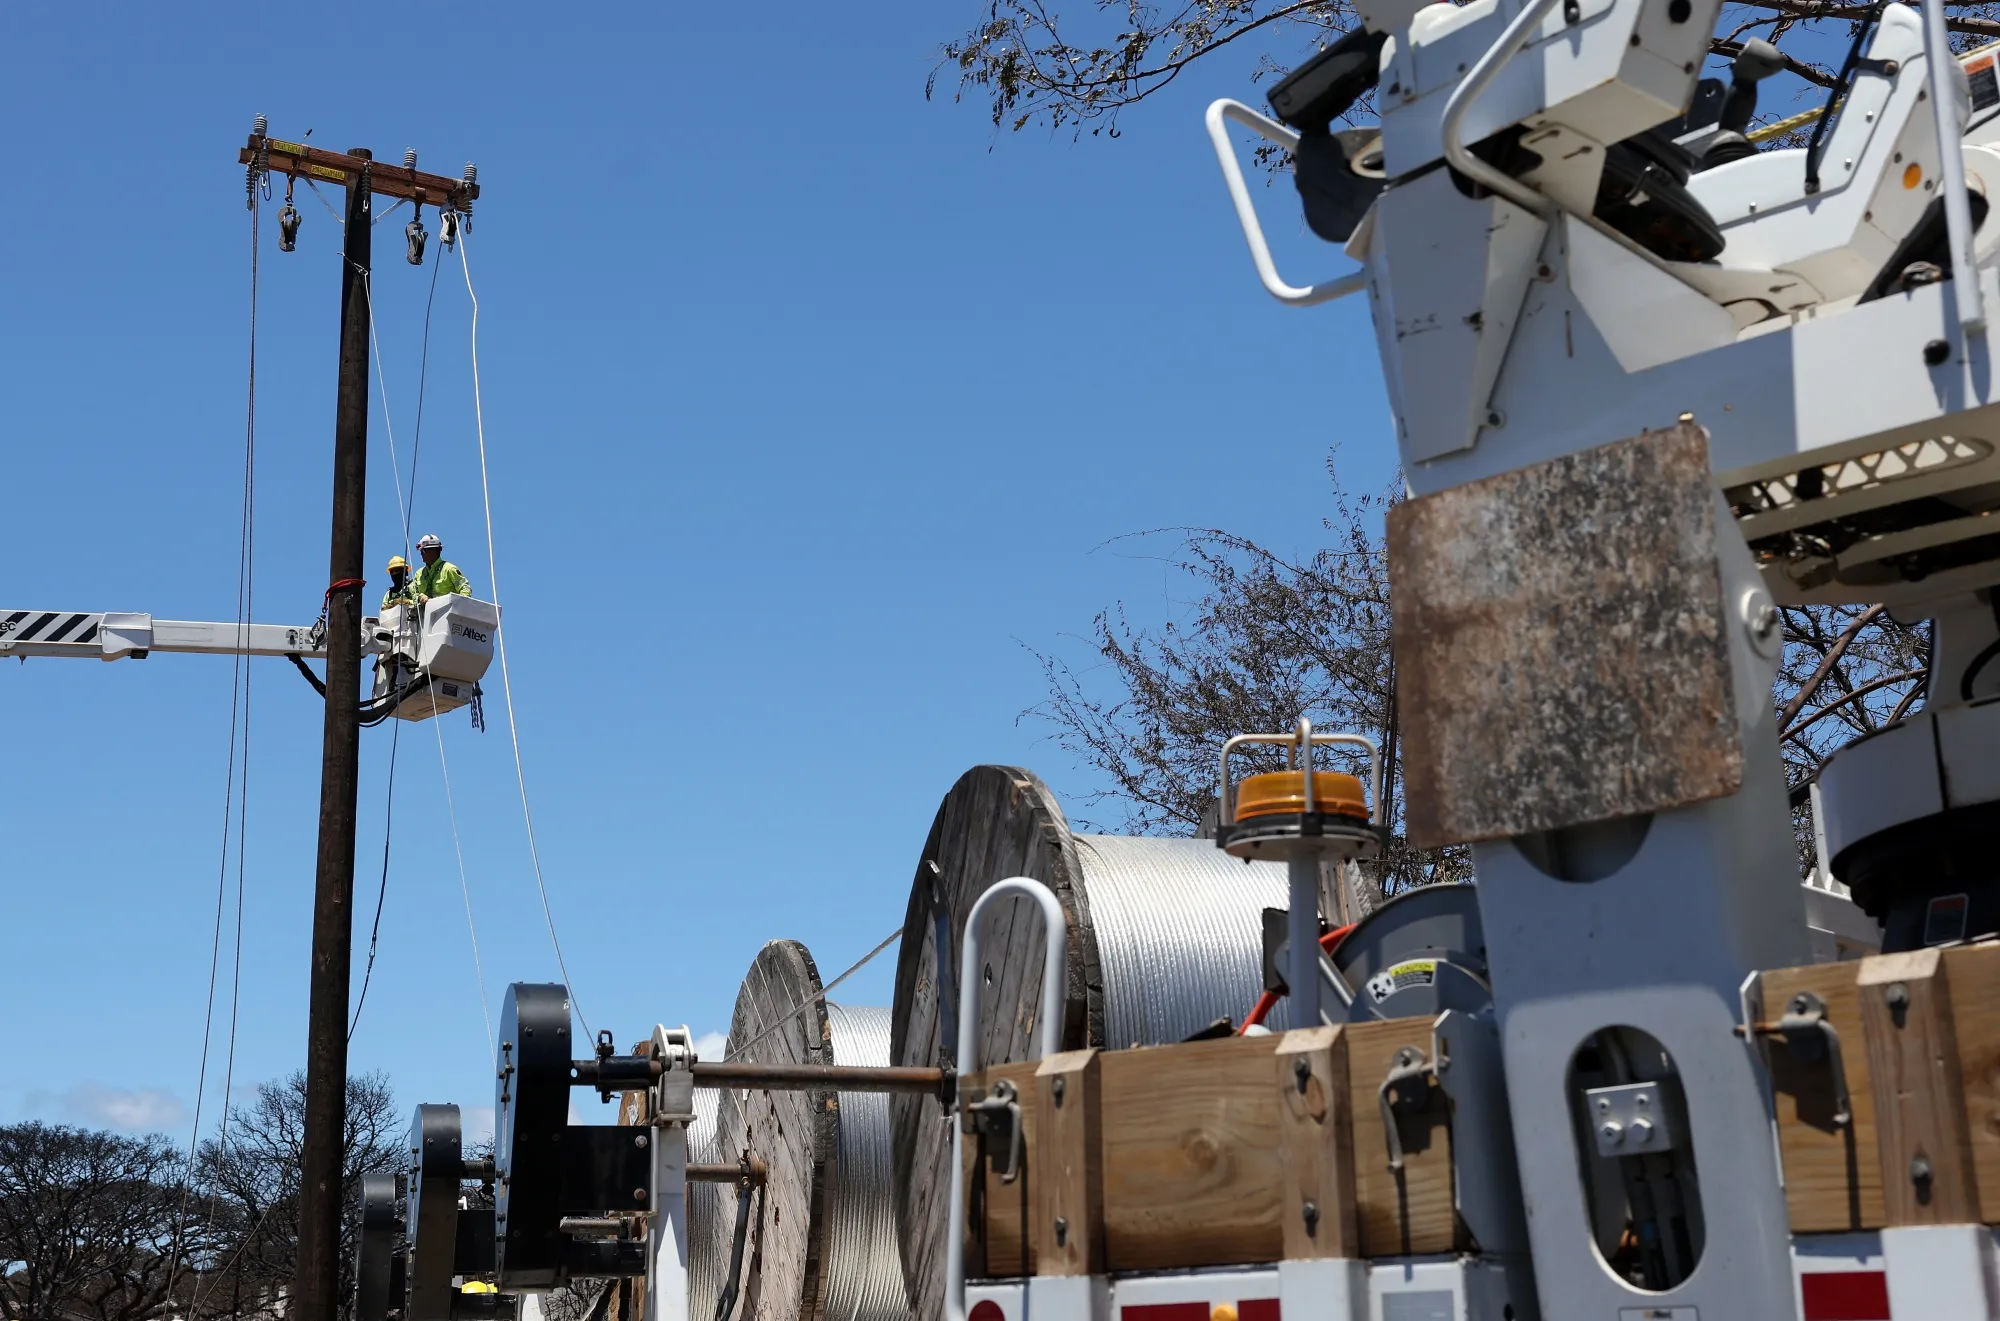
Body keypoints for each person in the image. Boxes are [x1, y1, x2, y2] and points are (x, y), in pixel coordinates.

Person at [412, 533, 473, 601]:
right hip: (425, 611)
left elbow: (465, 588)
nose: (421, 554)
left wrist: (459, 604)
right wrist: (419, 597)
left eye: (424, 550)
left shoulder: (449, 569)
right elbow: (413, 594)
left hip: (446, 610)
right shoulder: (419, 574)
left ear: (435, 550)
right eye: (421, 551)